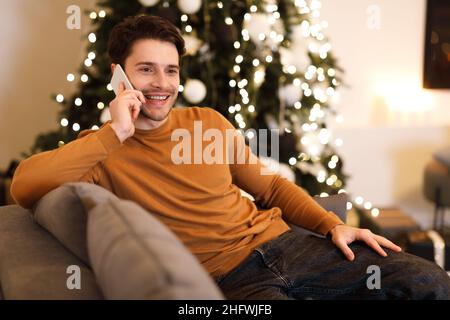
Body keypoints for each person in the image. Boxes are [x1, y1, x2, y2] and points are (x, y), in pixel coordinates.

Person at [11, 15, 450, 299]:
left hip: (291, 247)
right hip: (230, 283)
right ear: (119, 75)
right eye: (146, 69)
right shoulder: (98, 149)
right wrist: (116, 133)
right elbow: (23, 186)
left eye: (171, 70)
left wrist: (332, 225)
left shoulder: (207, 122)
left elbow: (271, 187)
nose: (161, 83)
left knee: (428, 281)